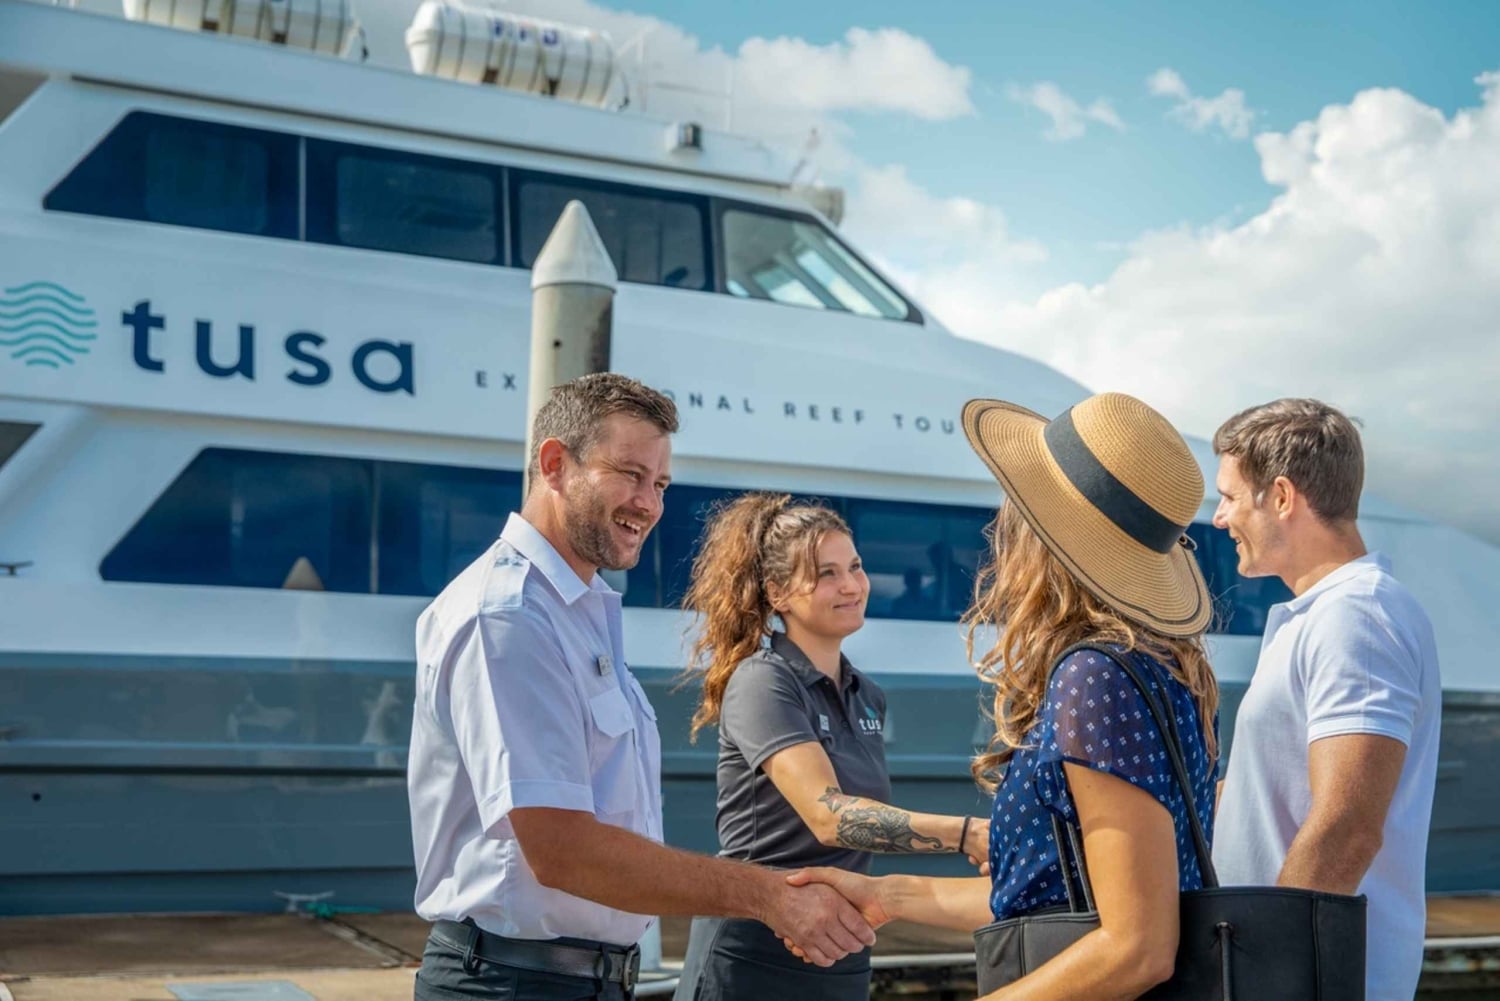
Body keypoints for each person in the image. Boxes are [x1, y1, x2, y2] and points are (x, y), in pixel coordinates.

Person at [407, 373, 875, 1001]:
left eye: (659, 485)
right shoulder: (509, 617)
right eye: (629, 474)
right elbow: (562, 849)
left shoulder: (578, 613)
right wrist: (765, 896)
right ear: (554, 464)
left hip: (575, 981)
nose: (649, 504)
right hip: (514, 983)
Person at [789, 392, 1221, 1000]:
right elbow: (1059, 903)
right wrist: (892, 894)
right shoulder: (1168, 670)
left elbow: (1137, 946)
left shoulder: (1093, 677)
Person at [672, 494, 990, 1001]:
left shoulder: (867, 695)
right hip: (755, 954)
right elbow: (831, 817)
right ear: (778, 594)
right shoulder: (762, 681)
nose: (851, 586)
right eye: (826, 574)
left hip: (840, 950)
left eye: (856, 567)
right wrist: (967, 834)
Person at [1209, 398, 1441, 1001]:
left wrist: (1266, 973)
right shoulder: (1319, 617)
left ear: (1281, 497)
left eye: (1230, 496)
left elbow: (1347, 826)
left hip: (1307, 982)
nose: (1218, 517)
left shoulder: (1355, 615)